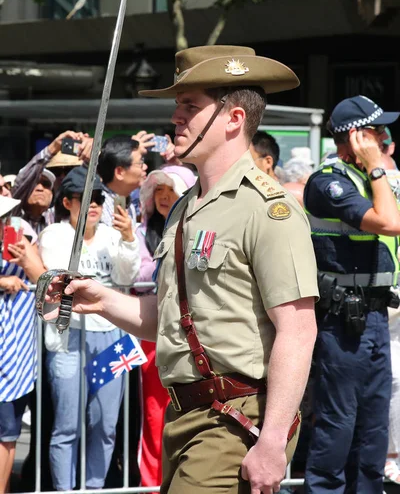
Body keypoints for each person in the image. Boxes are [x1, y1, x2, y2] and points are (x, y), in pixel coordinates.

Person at [46, 45, 318, 494]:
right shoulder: (186, 207)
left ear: (233, 119)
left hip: (236, 418)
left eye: (190, 107)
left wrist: (271, 440)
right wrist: (101, 300)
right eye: (177, 106)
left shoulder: (269, 210)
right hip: (185, 417)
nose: (176, 117)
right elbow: (172, 319)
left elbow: (298, 329)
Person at [303, 94, 400, 494]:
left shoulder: (369, 180)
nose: (384, 139)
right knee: (337, 425)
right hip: (342, 322)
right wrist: (378, 166)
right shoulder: (328, 181)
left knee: (374, 428)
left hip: (375, 319)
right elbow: (388, 223)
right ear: (356, 137)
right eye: (377, 132)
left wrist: (379, 169)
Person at [39, 166, 141, 491]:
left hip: (113, 336)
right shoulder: (54, 234)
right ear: (68, 203)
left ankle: (95, 488)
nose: (94, 205)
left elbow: (128, 277)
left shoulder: (114, 235)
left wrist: (128, 238)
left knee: (105, 424)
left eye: (98, 198)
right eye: (85, 199)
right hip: (68, 336)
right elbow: (64, 276)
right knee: (67, 426)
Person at [135, 164, 197, 490]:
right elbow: (141, 274)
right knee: (153, 414)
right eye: (157, 190)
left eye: (169, 190)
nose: (163, 197)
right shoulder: (142, 232)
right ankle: (151, 483)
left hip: (193, 337)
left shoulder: (196, 227)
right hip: (151, 337)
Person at [0, 195, 45, 494]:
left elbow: (46, 280)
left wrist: (27, 261)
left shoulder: (21, 237)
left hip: (13, 354)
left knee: (6, 433)